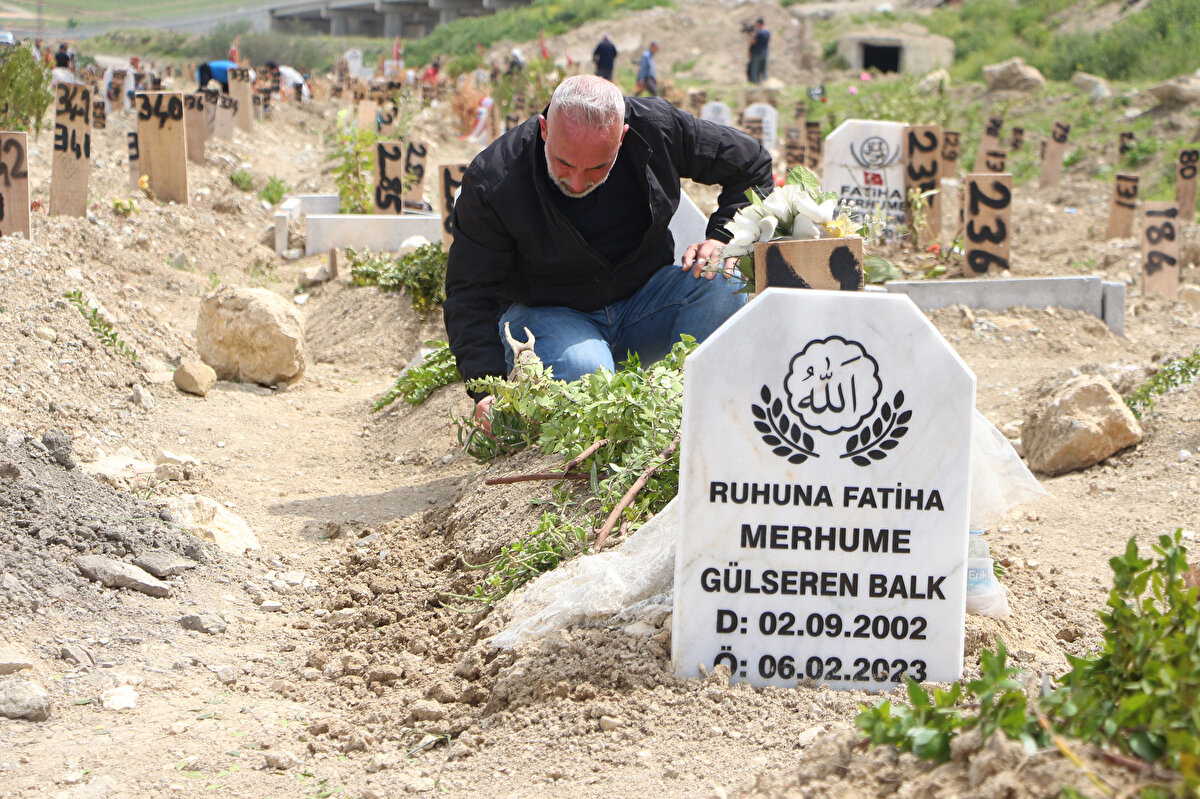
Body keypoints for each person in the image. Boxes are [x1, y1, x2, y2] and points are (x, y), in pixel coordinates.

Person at [443, 75, 773, 431]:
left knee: (722, 280)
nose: (578, 181)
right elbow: (469, 289)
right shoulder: (495, 178)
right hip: (549, 315)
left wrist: (723, 237)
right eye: (564, 163)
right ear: (544, 130)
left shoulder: (656, 128)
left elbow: (751, 163)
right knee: (586, 371)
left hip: (644, 302)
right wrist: (487, 387)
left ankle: (693, 420)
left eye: (598, 167)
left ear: (623, 137)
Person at [747, 17, 770, 84]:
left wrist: (749, 34)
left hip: (757, 53)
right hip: (765, 53)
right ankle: (767, 83)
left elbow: (752, 41)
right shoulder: (767, 32)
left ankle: (756, 84)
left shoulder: (760, 33)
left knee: (755, 70)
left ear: (759, 24)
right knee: (764, 70)